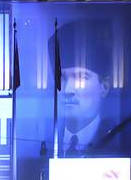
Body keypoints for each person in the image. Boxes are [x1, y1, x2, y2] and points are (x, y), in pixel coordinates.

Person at [49, 18, 117, 156]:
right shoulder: (47, 138)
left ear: (104, 87)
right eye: (63, 78)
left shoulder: (118, 138)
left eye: (81, 78)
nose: (67, 90)